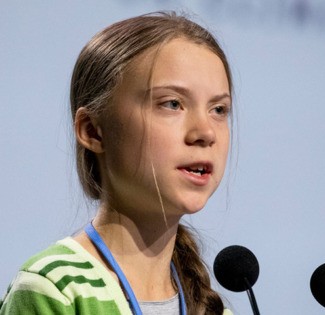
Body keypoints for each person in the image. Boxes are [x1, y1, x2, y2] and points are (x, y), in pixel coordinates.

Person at [0, 11, 234, 315]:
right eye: (172, 104)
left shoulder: (209, 308)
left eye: (218, 109)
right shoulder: (56, 290)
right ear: (93, 131)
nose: (205, 132)